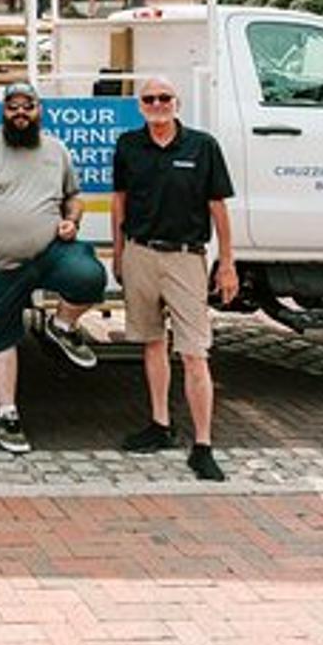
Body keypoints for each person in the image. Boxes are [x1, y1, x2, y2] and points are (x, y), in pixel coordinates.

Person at [0, 80, 109, 454]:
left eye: (28, 106)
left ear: (40, 110)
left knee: (91, 277)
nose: (21, 113)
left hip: (49, 252)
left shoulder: (56, 149)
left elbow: (74, 196)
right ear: (4, 111)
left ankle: (62, 325)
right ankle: (7, 414)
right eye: (13, 107)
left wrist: (72, 220)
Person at [111, 75, 238, 482]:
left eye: (164, 97)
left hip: (186, 258)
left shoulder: (203, 146)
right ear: (140, 106)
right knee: (151, 343)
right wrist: (119, 252)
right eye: (149, 98)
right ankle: (160, 424)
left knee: (195, 352)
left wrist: (228, 262)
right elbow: (120, 201)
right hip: (140, 253)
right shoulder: (128, 145)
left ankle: (203, 445)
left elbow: (218, 207)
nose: (157, 103)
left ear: (177, 102)